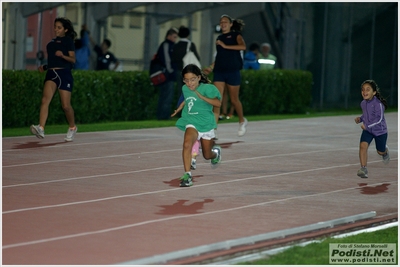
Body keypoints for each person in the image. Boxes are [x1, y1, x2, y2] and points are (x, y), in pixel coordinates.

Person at [171, 64, 222, 187]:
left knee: (207, 155)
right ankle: (187, 175)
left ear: (199, 77)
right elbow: (188, 99)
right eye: (186, 80)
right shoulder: (185, 89)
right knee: (187, 144)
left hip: (206, 124)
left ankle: (215, 153)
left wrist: (202, 97)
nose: (189, 83)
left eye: (192, 79)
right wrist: (179, 108)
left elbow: (217, 103)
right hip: (191, 121)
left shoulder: (208, 89)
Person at [30, 17, 78, 142]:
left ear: (65, 30)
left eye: (59, 27)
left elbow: (73, 60)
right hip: (51, 73)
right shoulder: (51, 42)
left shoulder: (68, 41)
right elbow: (53, 60)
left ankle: (72, 127)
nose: (56, 30)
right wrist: (45, 67)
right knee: (45, 100)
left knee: (66, 106)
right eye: (55, 27)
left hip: (64, 74)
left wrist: (63, 55)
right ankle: (41, 128)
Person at [204, 14, 248, 137]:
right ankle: (213, 130)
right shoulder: (219, 38)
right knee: (217, 100)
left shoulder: (236, 36)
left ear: (230, 24)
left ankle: (241, 121)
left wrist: (225, 46)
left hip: (233, 71)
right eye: (221, 21)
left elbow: (243, 47)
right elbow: (220, 56)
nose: (222, 23)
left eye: (225, 22)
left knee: (234, 100)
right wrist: (211, 67)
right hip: (220, 71)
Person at [354, 80, 390, 178]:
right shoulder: (363, 103)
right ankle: (363, 169)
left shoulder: (379, 104)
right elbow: (366, 115)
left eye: (368, 89)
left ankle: (385, 151)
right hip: (368, 131)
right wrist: (360, 119)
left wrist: (367, 125)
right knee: (363, 146)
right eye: (363, 90)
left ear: (374, 92)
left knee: (380, 151)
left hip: (380, 132)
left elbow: (379, 119)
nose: (364, 92)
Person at [155, 27, 178, 120]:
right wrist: (171, 71)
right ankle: (163, 115)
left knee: (166, 96)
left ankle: (163, 114)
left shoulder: (170, 45)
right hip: (166, 75)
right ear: (168, 36)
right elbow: (167, 60)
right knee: (166, 95)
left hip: (168, 74)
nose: (175, 39)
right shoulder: (166, 45)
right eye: (174, 37)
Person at [172, 26, 201, 97]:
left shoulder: (175, 46)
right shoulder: (191, 45)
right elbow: (197, 58)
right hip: (189, 72)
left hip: (179, 71)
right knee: (190, 91)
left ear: (179, 35)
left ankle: (181, 107)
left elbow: (173, 59)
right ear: (188, 35)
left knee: (180, 91)